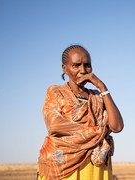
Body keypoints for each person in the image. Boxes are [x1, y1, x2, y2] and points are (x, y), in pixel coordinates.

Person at [37, 44, 124, 180]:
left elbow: (117, 126)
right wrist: (100, 130)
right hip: (63, 167)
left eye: (87, 65)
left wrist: (102, 86)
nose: (83, 70)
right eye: (76, 65)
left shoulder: (98, 97)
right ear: (64, 68)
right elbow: (55, 125)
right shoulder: (56, 92)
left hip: (95, 169)